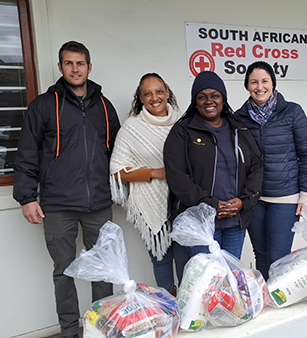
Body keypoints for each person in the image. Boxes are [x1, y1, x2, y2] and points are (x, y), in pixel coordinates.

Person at [13, 41, 121, 338]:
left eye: (80, 63)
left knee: (103, 270)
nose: (75, 69)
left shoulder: (103, 105)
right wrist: (26, 198)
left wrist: (121, 191)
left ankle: (101, 328)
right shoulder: (44, 105)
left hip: (98, 203)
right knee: (64, 271)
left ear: (89, 67)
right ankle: (70, 331)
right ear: (60, 67)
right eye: (69, 63)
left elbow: (116, 153)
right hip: (57, 205)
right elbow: (26, 153)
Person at [163, 71, 263, 259]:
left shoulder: (238, 129)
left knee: (230, 279)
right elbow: (176, 176)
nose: (209, 101)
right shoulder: (183, 131)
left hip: (235, 221)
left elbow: (256, 166)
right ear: (195, 102)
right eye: (202, 97)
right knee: (206, 281)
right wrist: (211, 205)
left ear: (223, 99)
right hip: (201, 224)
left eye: (215, 95)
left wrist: (244, 201)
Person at [235, 61, 307, 280]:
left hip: (285, 198)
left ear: (273, 83)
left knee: (279, 257)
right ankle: (266, 301)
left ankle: (281, 299)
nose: (259, 87)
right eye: (254, 82)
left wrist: (305, 194)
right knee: (261, 255)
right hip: (254, 198)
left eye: (264, 81)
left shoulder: (292, 112)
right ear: (247, 86)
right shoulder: (239, 117)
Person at [109, 73, 189, 296]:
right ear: (140, 98)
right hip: (149, 202)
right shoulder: (131, 129)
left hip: (182, 201)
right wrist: (155, 173)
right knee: (161, 258)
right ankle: (168, 305)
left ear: (167, 93)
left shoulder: (184, 122)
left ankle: (187, 304)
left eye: (159, 91)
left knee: (185, 257)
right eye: (148, 93)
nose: (155, 97)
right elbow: (117, 170)